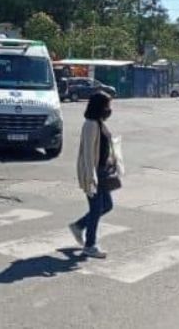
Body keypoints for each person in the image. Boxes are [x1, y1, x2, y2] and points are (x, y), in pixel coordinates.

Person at [70, 91, 116, 259]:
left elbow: (105, 146)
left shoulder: (99, 122)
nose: (109, 109)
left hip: (103, 171)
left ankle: (79, 226)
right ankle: (90, 245)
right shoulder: (90, 125)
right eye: (107, 106)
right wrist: (91, 178)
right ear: (99, 106)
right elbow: (88, 154)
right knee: (96, 209)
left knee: (107, 205)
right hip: (94, 172)